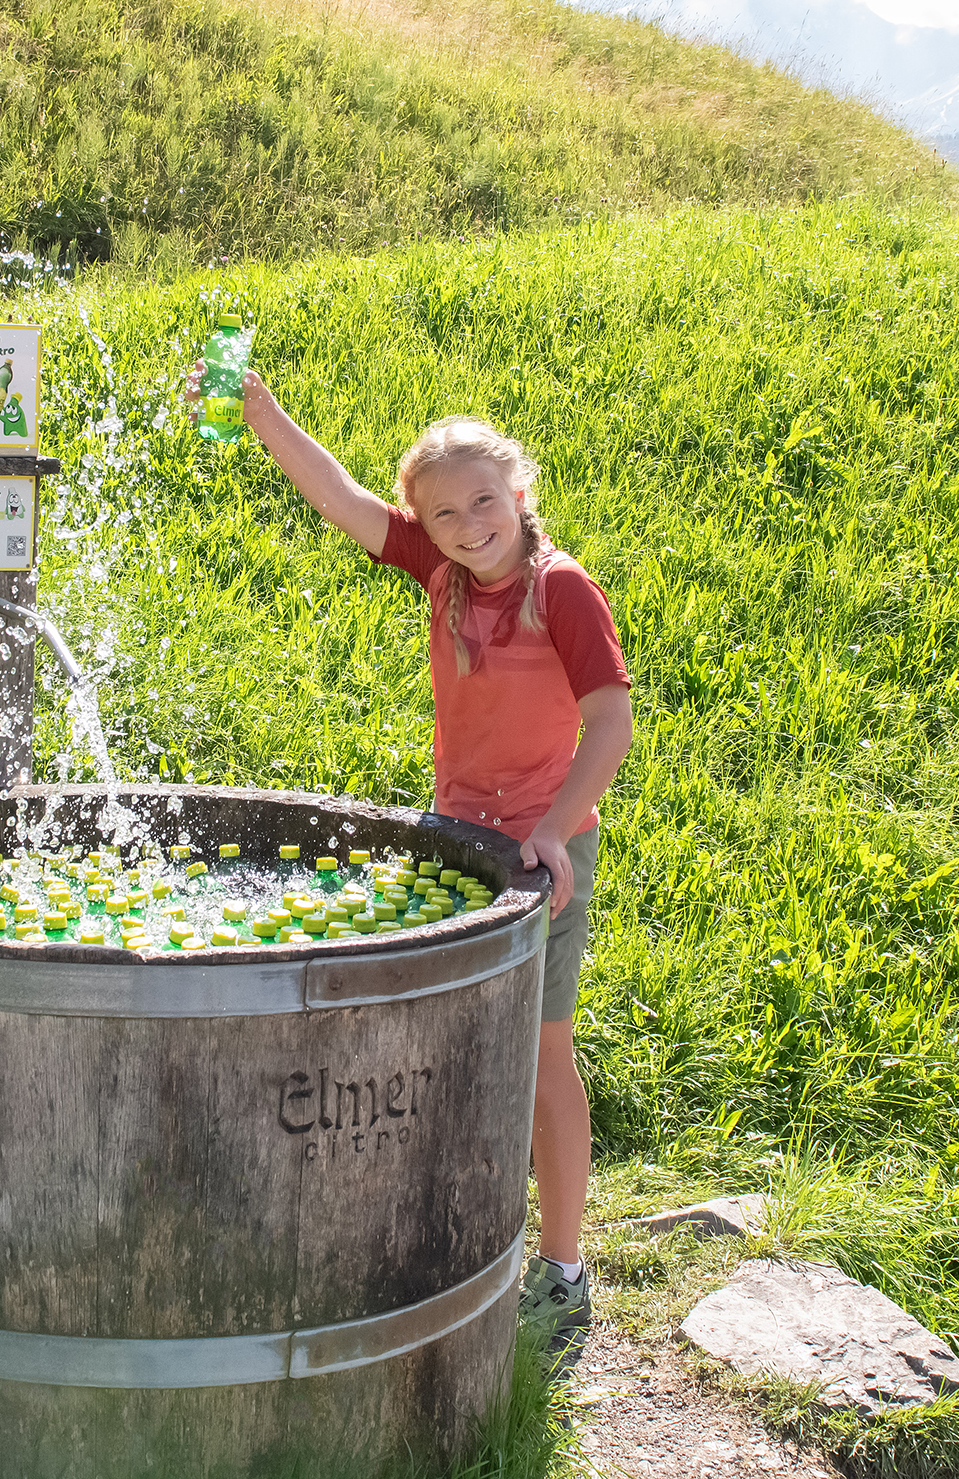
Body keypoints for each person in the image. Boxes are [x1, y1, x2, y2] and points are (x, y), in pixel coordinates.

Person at [220, 374, 636, 1368]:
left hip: (543, 853)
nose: (465, 525)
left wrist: (548, 829)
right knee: (439, 1048)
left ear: (520, 493)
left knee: (539, 1057)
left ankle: (564, 1273)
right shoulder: (441, 574)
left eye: (482, 502)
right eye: (442, 513)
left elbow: (610, 724)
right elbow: (338, 497)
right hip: (458, 845)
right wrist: (262, 414)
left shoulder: (559, 588)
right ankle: (439, 1246)